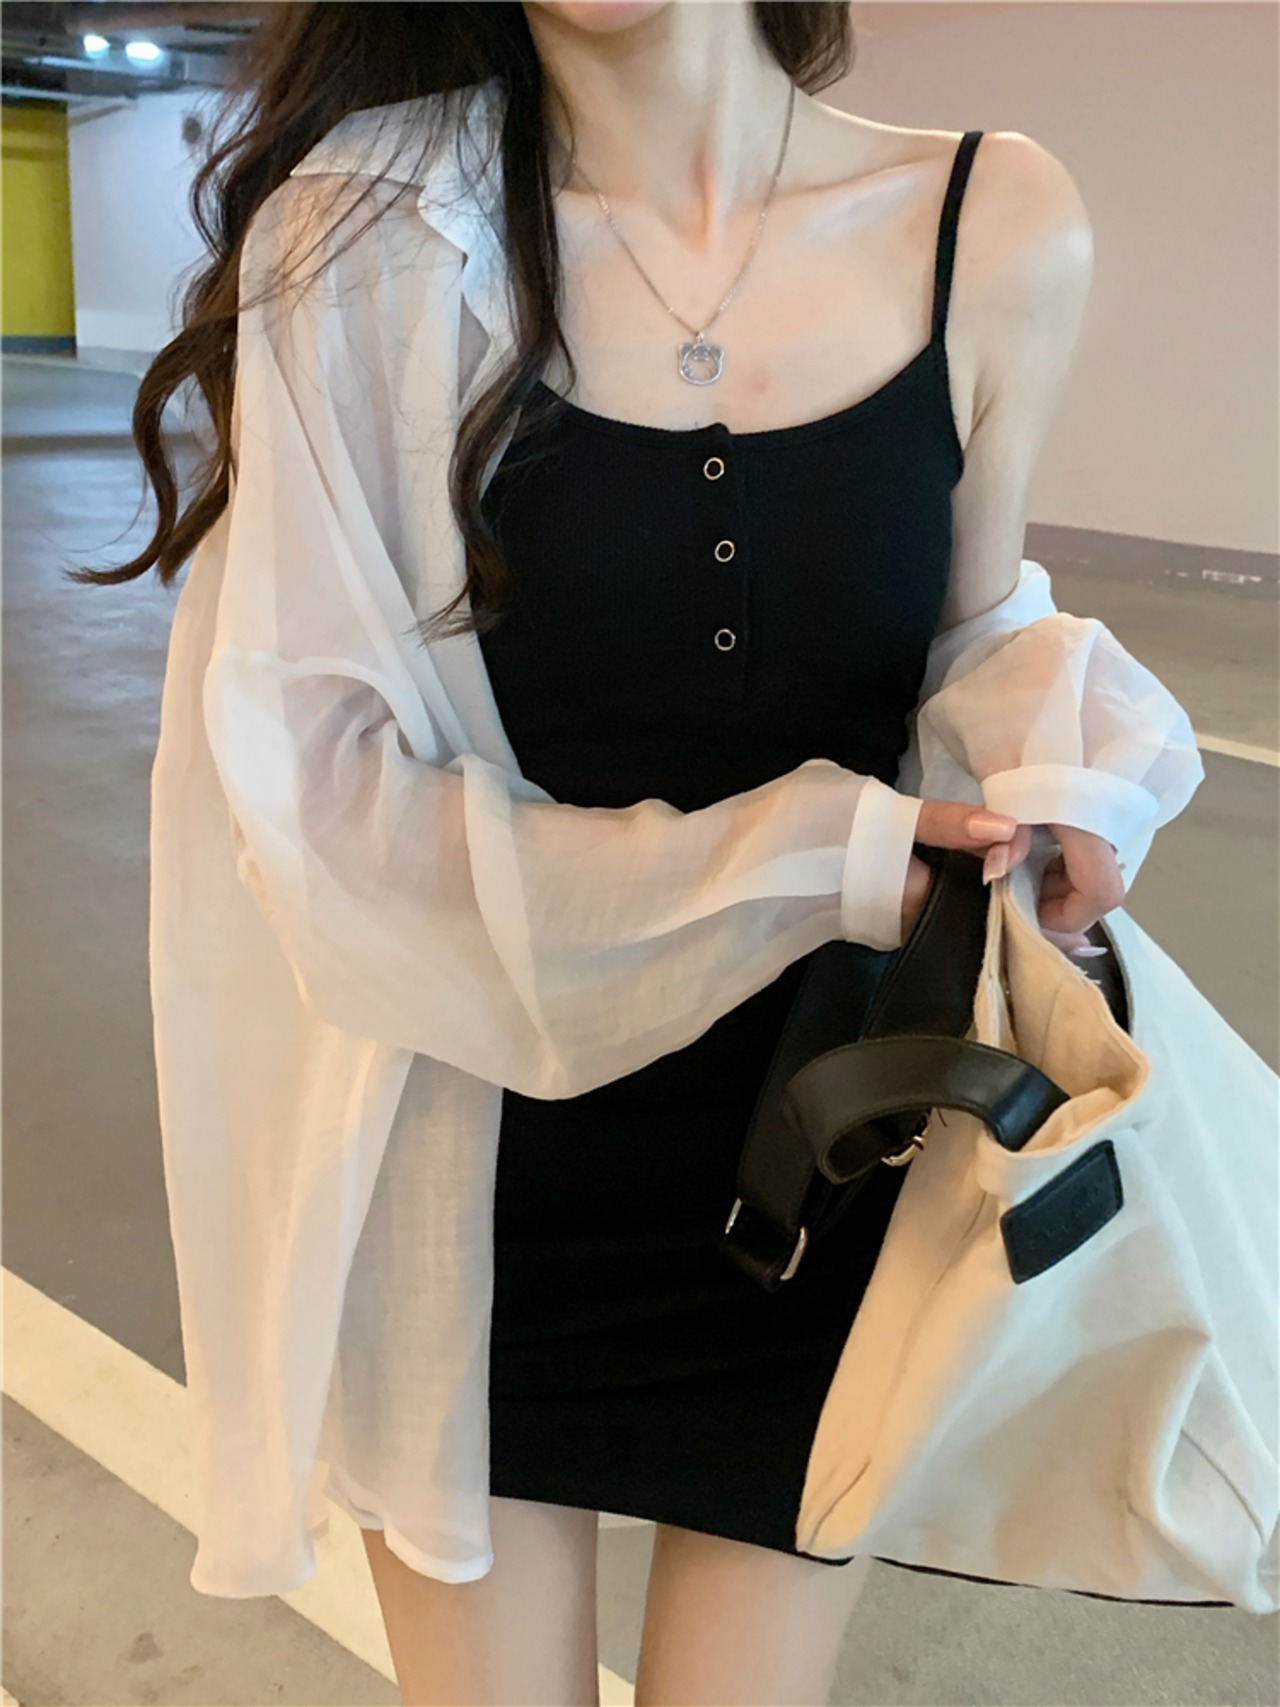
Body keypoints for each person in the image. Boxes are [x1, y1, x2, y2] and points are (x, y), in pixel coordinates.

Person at [80, 3, 1202, 1703]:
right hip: (475, 1167)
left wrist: (1058, 775)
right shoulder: (368, 229)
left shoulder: (995, 220)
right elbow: (319, 803)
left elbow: (970, 629)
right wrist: (818, 852)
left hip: (831, 1148)